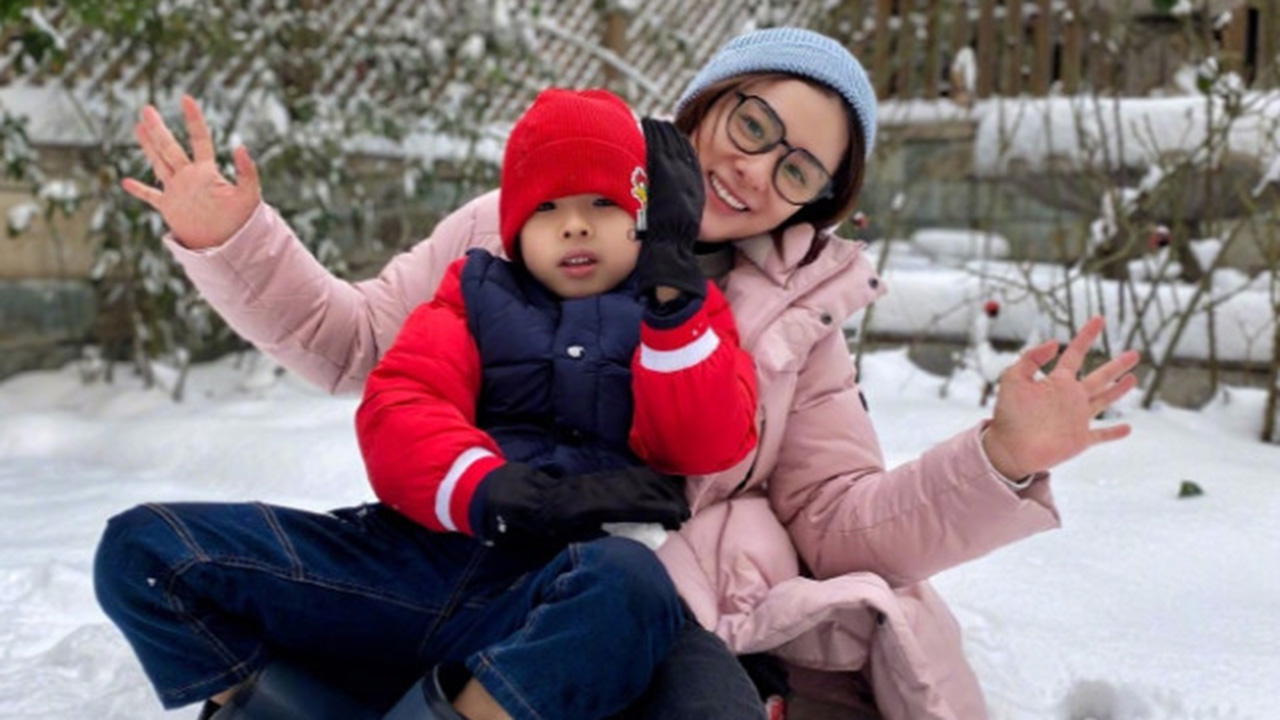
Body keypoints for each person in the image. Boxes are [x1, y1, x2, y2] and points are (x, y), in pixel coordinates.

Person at [104, 26, 1140, 720]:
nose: (751, 169)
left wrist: (999, 458)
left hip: (646, 597)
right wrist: (238, 241)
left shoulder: (797, 322)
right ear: (707, 102)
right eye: (752, 126)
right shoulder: (518, 225)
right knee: (156, 559)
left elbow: (836, 519)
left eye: (794, 172)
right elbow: (356, 346)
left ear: (808, 209)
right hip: (454, 549)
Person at [354, 87, 758, 718]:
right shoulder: (477, 288)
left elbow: (709, 445)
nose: (575, 223)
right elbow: (401, 400)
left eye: (603, 202)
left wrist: (676, 305)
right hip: (470, 546)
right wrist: (496, 489)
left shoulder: (686, 306)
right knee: (163, 547)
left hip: (632, 580)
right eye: (547, 207)